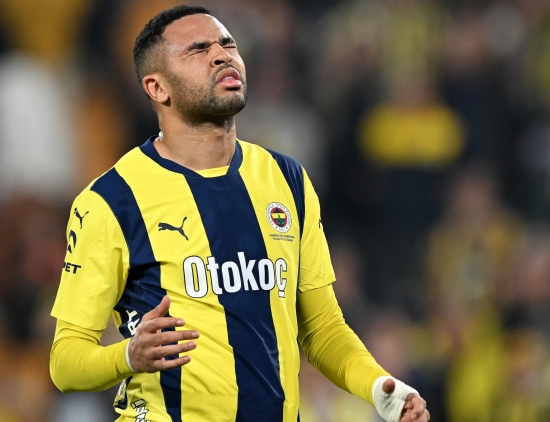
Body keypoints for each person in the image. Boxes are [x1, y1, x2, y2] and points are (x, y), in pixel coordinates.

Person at [49, 5, 430, 422]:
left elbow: (323, 329)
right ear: (157, 88)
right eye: (198, 49)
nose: (222, 55)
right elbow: (65, 362)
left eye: (228, 44)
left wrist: (379, 387)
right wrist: (128, 356)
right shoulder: (111, 199)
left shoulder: (287, 180)